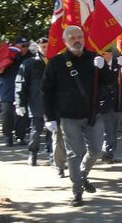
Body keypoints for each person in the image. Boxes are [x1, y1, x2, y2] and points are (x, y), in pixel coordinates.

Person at [41, 25, 112, 205]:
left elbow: (109, 81)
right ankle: (77, 191)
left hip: (92, 115)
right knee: (75, 153)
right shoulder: (56, 63)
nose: (76, 40)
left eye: (79, 36)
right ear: (65, 41)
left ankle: (82, 175)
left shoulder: (94, 58)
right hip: (69, 116)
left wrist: (104, 67)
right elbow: (46, 91)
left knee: (96, 150)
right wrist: (49, 117)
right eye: (72, 38)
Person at [16, 38, 49, 166]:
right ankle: (33, 153)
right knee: (36, 130)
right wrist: (19, 103)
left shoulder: (55, 61)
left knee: (54, 130)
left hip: (52, 102)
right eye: (43, 46)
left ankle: (52, 154)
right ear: (38, 47)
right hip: (36, 101)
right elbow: (20, 83)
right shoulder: (29, 63)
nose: (45, 49)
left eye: (47, 46)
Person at [99, 49, 122, 163]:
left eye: (105, 53)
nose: (103, 56)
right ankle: (107, 154)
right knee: (108, 130)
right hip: (104, 104)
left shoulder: (118, 65)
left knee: (114, 130)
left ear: (110, 54)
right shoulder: (98, 66)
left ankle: (111, 154)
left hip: (117, 103)